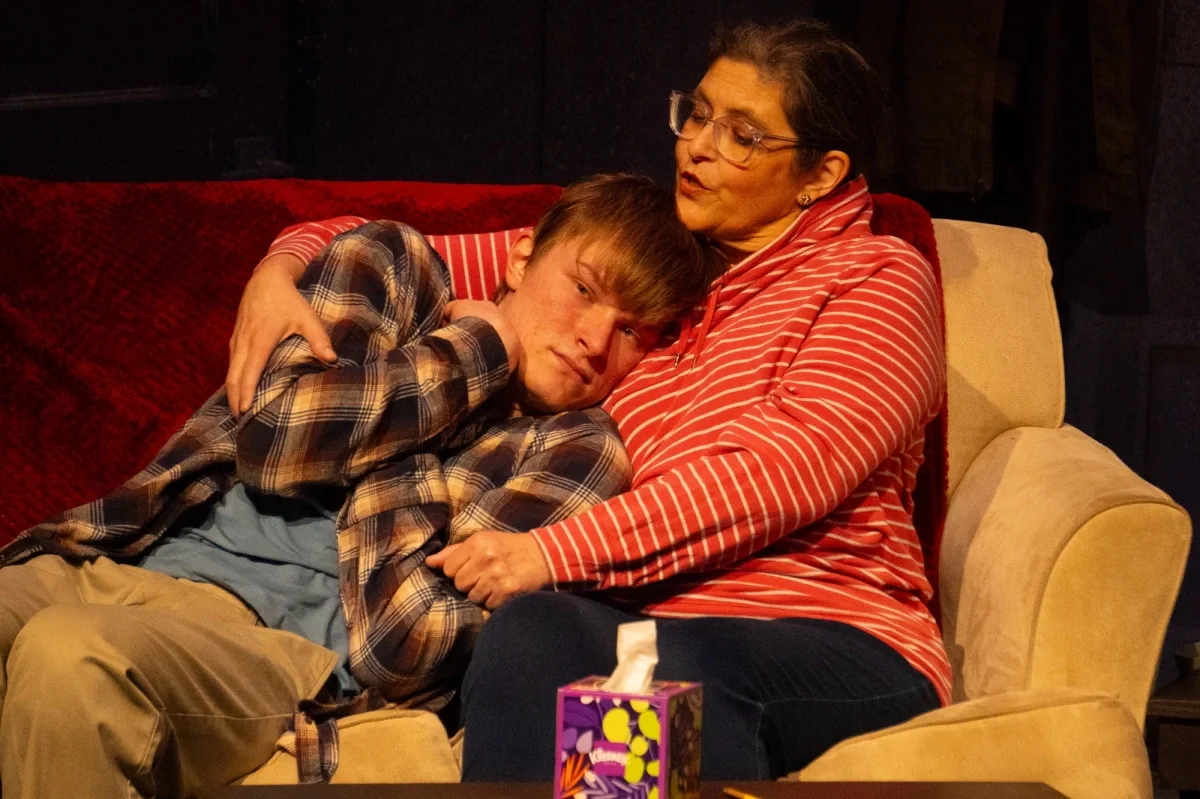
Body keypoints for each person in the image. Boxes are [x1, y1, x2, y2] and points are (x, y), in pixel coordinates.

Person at [226, 19, 951, 781]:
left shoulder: (876, 277)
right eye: (697, 114)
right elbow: (412, 248)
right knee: (532, 631)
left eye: (742, 135)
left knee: (675, 670)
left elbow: (782, 472)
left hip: (832, 637)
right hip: (646, 626)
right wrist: (279, 270)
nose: (698, 146)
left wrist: (550, 551)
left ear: (821, 173)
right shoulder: (665, 272)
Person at [0, 173, 719, 797]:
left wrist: (468, 362)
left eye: (634, 330)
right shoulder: (396, 264)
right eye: (584, 289)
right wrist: (472, 348)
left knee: (72, 656)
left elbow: (406, 643)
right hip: (133, 556)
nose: (595, 337)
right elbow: (274, 435)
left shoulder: (575, 450)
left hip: (277, 651)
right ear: (523, 253)